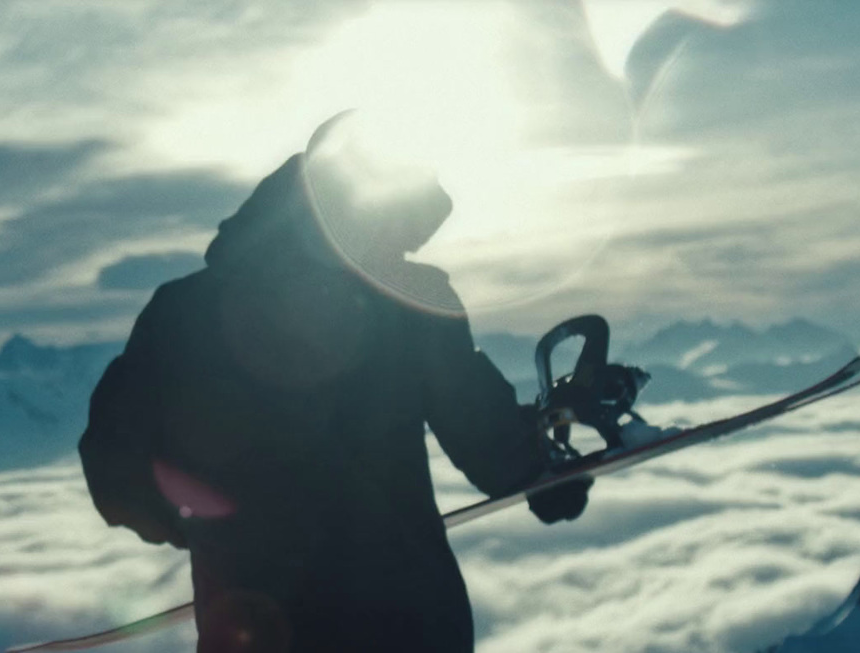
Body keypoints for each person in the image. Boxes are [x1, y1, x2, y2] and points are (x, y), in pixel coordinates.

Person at [78, 114, 591, 653]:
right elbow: (489, 445)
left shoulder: (181, 309)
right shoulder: (411, 301)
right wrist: (547, 474)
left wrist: (211, 532)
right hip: (407, 627)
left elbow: (114, 469)